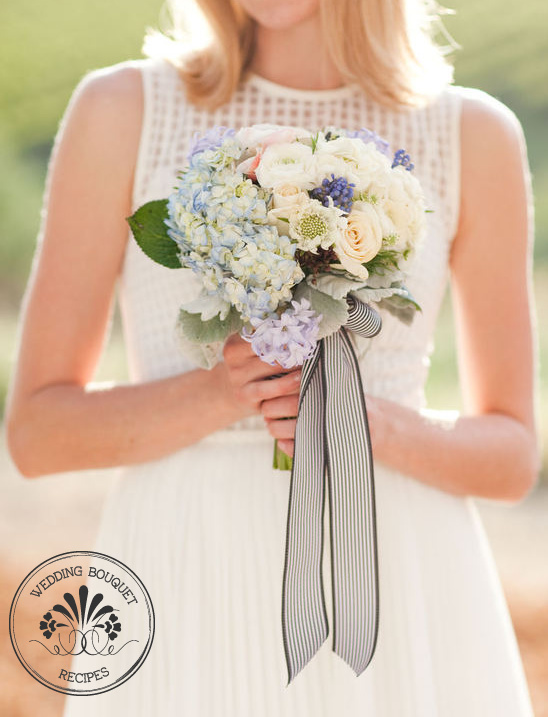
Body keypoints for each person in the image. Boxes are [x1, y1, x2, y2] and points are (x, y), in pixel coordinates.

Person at [6, 0, 540, 714]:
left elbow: (510, 457)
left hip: (400, 587)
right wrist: (226, 389)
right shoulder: (122, 110)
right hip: (185, 569)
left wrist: (367, 423)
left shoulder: (471, 134)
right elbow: (39, 436)